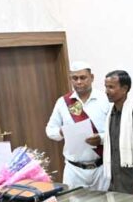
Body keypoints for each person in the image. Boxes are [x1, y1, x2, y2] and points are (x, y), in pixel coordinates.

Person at [46, 60, 111, 190]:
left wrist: (101, 138)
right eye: (75, 78)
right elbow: (50, 130)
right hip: (74, 171)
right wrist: (61, 132)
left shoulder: (105, 100)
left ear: (92, 77)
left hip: (101, 168)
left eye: (83, 77)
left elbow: (115, 130)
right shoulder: (63, 102)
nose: (79, 82)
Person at [102, 70, 133, 195]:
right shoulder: (110, 115)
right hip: (115, 184)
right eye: (106, 87)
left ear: (124, 89)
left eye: (111, 87)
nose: (107, 91)